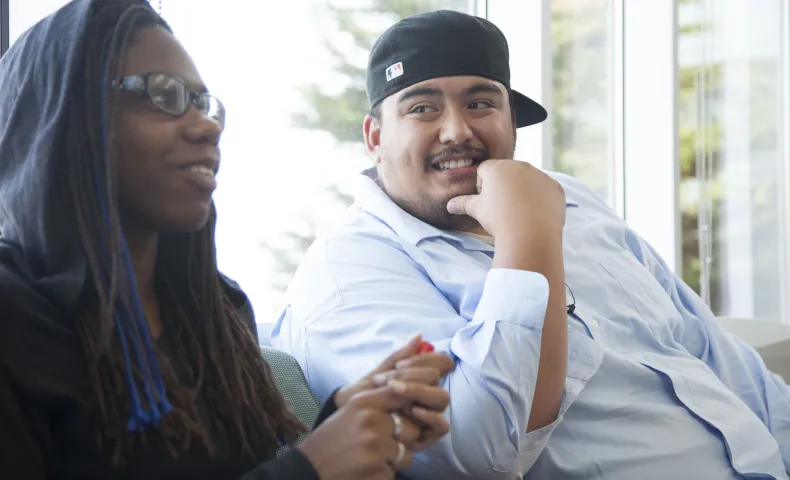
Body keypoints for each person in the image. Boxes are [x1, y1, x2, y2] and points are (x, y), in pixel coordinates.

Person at [271, 9, 790, 480]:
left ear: (510, 122)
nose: (456, 130)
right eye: (423, 108)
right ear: (375, 137)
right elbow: (481, 453)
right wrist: (528, 236)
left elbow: (713, 352)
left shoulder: (573, 201)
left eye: (480, 103)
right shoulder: (348, 271)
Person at [0, 1, 453, 479]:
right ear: (66, 113)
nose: (206, 126)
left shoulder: (216, 308)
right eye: (163, 94)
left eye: (204, 103)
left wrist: (341, 429)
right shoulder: (14, 321)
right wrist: (308, 469)